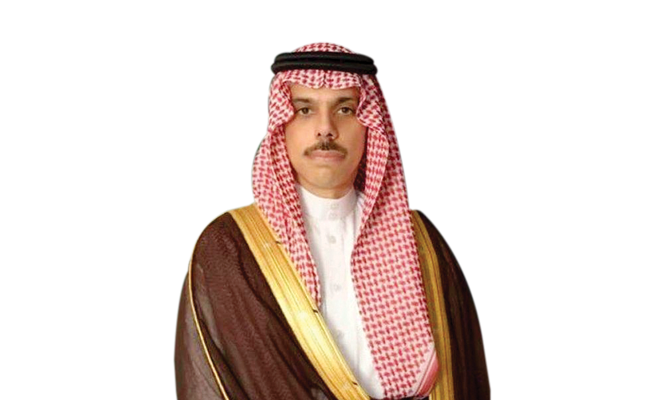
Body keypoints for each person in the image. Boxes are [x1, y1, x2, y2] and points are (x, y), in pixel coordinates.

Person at [174, 41, 490, 400]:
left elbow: (467, 375)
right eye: (305, 110)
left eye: (344, 109)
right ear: (282, 125)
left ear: (369, 125)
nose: (325, 129)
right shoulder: (229, 247)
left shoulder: (422, 242)